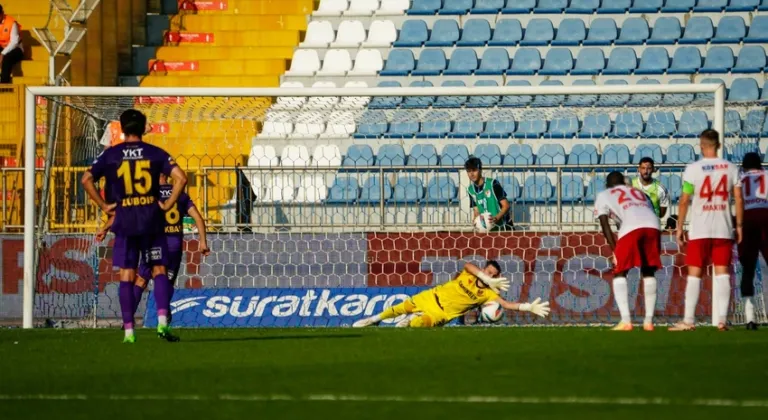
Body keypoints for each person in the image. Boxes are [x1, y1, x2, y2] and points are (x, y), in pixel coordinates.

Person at [81, 109, 188, 343]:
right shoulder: (155, 153)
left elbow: (86, 179)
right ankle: (162, 324)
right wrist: (169, 203)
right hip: (151, 218)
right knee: (159, 269)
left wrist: (104, 206)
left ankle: (129, 332)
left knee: (127, 276)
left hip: (125, 221)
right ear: (143, 127)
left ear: (122, 128)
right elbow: (181, 177)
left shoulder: (111, 155)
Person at [96, 173, 211, 320]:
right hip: (174, 246)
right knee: (166, 282)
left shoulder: (149, 196)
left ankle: (128, 320)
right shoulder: (181, 195)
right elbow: (198, 218)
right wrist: (203, 242)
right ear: (168, 176)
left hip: (155, 244)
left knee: (141, 280)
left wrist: (105, 229)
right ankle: (164, 315)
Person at [670, 129, 743, 331]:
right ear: (719, 145)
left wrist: (679, 227)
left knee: (694, 274)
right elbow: (739, 198)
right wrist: (739, 226)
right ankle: (722, 321)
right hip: (723, 228)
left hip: (700, 228)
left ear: (701, 146)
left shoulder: (693, 169)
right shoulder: (731, 168)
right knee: (723, 274)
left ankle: (688, 321)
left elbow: (685, 200)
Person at [352, 261, 550, 328]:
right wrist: (484, 276)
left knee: (416, 324)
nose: (489, 275)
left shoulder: (488, 294)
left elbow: (506, 306)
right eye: (488, 272)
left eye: (493, 275)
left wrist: (528, 307)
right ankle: (374, 319)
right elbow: (468, 265)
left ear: (498, 277)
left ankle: (413, 319)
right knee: (400, 308)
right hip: (432, 296)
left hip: (442, 314)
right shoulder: (470, 273)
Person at [595, 172, 662, 331]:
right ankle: (648, 322)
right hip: (653, 226)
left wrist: (614, 250)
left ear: (607, 185)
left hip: (631, 227)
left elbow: (605, 225)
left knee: (620, 271)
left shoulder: (604, 195)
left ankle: (626, 321)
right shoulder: (639, 192)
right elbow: (650, 210)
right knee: (648, 271)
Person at [737, 152, 768, 331]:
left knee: (747, 269)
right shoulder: (766, 175)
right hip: (765, 214)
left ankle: (750, 319)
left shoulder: (740, 178)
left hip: (746, 217)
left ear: (743, 166)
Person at [464, 157, 511, 232]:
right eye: (469, 171)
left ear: (480, 170)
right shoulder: (470, 190)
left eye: (474, 170)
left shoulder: (493, 184)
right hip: (487, 229)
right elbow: (476, 211)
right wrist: (476, 220)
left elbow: (506, 206)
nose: (471, 174)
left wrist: (496, 218)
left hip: (503, 228)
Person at [0, 5, 24, 84]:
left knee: (7, 59)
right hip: (2, 46)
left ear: (2, 13)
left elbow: (14, 41)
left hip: (15, 49)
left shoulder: (11, 23)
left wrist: (3, 53)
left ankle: (4, 85)